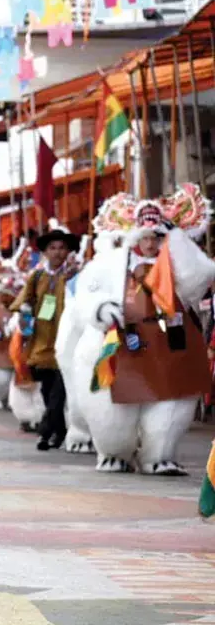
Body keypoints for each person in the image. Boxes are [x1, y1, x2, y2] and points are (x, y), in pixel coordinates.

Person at [70, 185, 215, 475]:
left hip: (170, 343)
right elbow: (88, 290)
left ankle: (159, 454)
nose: (151, 244)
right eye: (146, 237)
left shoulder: (176, 262)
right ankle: (114, 451)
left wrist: (176, 237)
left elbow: (200, 278)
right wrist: (101, 309)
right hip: (121, 342)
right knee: (113, 409)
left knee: (171, 401)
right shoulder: (112, 262)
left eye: (157, 237)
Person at [10, 219, 79, 451]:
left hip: (67, 341)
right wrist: (24, 315)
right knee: (48, 390)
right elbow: (24, 301)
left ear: (68, 250)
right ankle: (59, 432)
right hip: (41, 342)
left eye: (61, 247)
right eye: (53, 248)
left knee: (59, 392)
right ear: (46, 251)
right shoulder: (37, 277)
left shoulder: (74, 275)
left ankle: (45, 432)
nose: (57, 252)